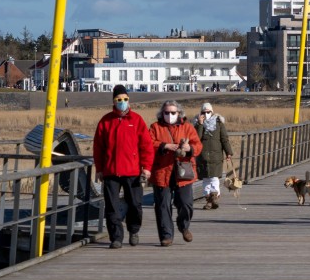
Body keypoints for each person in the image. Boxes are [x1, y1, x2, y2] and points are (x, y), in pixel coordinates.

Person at [92, 85, 155, 248]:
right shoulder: (105, 121)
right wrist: (99, 169)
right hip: (111, 171)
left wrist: (146, 167)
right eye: (118, 100)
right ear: (113, 101)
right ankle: (116, 237)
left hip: (133, 171)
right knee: (112, 206)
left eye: (125, 99)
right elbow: (98, 147)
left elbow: (146, 146)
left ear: (129, 100)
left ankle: (134, 230)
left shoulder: (137, 120)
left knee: (135, 203)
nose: (122, 102)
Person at [149, 100, 203, 246]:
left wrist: (188, 148)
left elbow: (198, 146)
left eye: (173, 112)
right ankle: (166, 236)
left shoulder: (188, 127)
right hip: (162, 172)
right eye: (166, 113)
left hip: (183, 171)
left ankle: (184, 226)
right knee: (163, 205)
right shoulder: (155, 127)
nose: (170, 115)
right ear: (162, 113)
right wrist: (164, 145)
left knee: (186, 203)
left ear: (179, 113)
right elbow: (148, 144)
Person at [195, 102, 233, 210]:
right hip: (202, 156)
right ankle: (209, 200)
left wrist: (228, 152)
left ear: (212, 112)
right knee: (206, 179)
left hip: (216, 156)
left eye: (208, 112)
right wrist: (200, 124)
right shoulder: (197, 124)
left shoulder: (219, 123)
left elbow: (224, 139)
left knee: (214, 178)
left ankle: (214, 198)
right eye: (204, 112)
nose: (206, 114)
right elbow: (197, 139)